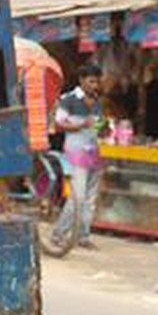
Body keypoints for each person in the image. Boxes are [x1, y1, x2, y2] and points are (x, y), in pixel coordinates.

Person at [55, 63, 106, 249]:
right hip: (75, 152)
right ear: (82, 80)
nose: (95, 86)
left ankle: (83, 236)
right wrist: (82, 125)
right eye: (91, 81)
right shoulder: (68, 99)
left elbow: (98, 126)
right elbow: (59, 124)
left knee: (90, 198)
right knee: (77, 196)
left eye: (97, 82)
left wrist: (103, 127)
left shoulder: (97, 101)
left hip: (93, 152)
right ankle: (59, 233)